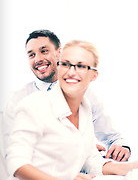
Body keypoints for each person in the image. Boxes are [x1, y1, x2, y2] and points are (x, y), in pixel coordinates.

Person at [4, 40, 138, 180]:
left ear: (93, 75)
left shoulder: (85, 109)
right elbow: (16, 163)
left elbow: (92, 160)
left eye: (80, 66)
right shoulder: (33, 104)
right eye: (65, 64)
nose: (71, 71)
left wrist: (133, 167)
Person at [2, 30, 131, 162]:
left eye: (44, 51)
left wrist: (122, 147)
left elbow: (111, 136)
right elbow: (12, 153)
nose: (38, 59)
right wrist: (79, 150)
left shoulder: (85, 93)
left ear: (59, 53)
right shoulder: (18, 99)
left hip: (87, 176)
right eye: (31, 54)